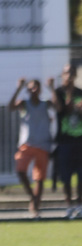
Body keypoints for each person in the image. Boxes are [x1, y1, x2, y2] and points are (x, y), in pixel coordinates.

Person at [9, 77, 53, 217]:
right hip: (26, 144)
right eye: (31, 87)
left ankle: (36, 207)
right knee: (20, 170)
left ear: (40, 89)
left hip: (43, 144)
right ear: (27, 90)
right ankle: (33, 198)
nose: (33, 90)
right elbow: (10, 107)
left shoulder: (46, 104)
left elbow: (58, 107)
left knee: (39, 178)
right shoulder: (24, 103)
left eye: (36, 87)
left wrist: (52, 88)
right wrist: (18, 88)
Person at [52, 64, 82, 218]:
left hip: (79, 140)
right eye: (66, 73)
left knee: (81, 176)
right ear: (62, 75)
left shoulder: (80, 93)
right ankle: (69, 205)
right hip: (65, 141)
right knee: (66, 176)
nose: (69, 75)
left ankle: (80, 205)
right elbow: (61, 109)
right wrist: (69, 97)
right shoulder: (58, 92)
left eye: (71, 73)